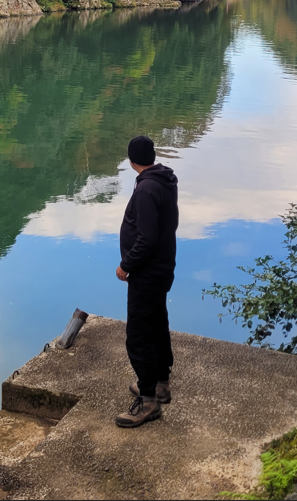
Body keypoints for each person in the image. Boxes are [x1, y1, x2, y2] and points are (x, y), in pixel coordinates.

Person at [115, 135, 179, 428]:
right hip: (161, 269)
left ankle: (149, 400)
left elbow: (147, 238)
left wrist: (126, 265)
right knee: (156, 322)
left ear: (132, 161)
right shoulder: (163, 181)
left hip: (147, 273)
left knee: (139, 335)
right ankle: (161, 382)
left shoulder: (146, 189)